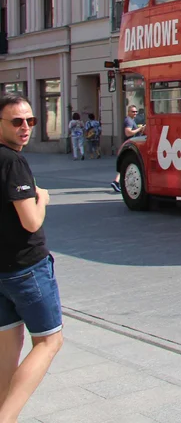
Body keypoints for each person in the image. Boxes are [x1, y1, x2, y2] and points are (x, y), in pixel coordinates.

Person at [0, 94, 64, 420]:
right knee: (50, 342)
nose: (25, 127)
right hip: (27, 269)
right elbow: (31, 221)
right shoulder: (12, 162)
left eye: (30, 120)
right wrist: (44, 198)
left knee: (8, 349)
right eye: (16, 121)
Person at [111, 105, 146, 193]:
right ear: (128, 112)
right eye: (133, 112)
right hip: (130, 145)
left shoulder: (131, 120)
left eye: (136, 111)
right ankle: (117, 182)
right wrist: (139, 129)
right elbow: (128, 133)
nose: (135, 113)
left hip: (131, 144)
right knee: (127, 165)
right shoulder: (128, 121)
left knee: (125, 166)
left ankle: (116, 182)